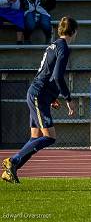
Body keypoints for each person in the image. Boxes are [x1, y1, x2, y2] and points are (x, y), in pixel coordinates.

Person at [1, 16, 77, 183]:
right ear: (74, 32)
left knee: (35, 138)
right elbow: (57, 76)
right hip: (38, 94)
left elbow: (45, 73)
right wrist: (68, 98)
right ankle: (12, 161)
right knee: (50, 137)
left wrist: (51, 96)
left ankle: (10, 170)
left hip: (38, 93)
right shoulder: (63, 47)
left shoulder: (53, 45)